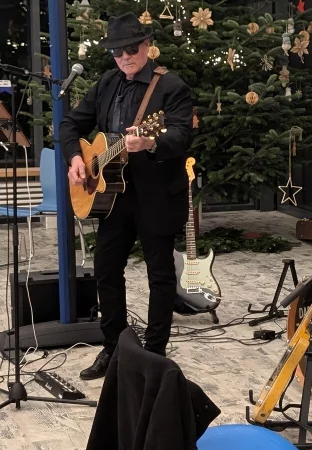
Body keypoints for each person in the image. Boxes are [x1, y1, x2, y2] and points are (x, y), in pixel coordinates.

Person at [60, 12, 193, 380]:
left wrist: (150, 141)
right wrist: (75, 157)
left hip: (156, 195)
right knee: (105, 272)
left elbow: (182, 136)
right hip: (112, 198)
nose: (124, 57)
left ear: (147, 46)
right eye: (117, 52)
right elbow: (71, 124)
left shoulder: (172, 88)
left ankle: (154, 354)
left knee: (160, 276)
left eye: (131, 49)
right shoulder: (106, 83)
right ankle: (113, 348)